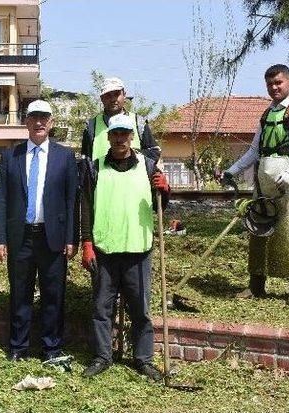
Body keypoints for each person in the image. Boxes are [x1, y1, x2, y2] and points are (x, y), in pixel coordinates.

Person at [80, 113, 171, 380]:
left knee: (140, 310)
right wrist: (86, 242)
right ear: (108, 137)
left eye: (124, 134)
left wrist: (165, 190)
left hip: (138, 249)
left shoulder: (148, 165)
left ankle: (143, 359)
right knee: (101, 309)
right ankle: (102, 356)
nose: (120, 139)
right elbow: (85, 207)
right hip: (104, 249)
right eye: (115, 134)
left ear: (132, 136)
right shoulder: (95, 167)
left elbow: (159, 208)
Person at [222, 64, 289, 306]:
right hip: (264, 181)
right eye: (270, 84)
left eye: (278, 82)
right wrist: (232, 170)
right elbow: (255, 150)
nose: (274, 87)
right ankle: (256, 284)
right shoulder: (266, 115)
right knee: (258, 229)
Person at [0, 100, 78, 362]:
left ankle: (51, 348)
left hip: (53, 237)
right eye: (34, 118)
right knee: (20, 293)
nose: (39, 123)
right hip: (21, 236)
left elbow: (71, 200)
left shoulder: (65, 156)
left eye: (44, 118)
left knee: (54, 294)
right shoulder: (11, 156)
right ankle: (18, 347)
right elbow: (1, 200)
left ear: (51, 123)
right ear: (26, 122)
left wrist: (71, 237)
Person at [81, 77, 161, 163]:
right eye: (108, 95)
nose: (113, 99)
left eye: (116, 94)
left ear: (124, 95)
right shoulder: (92, 126)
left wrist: (131, 154)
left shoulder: (139, 123)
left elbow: (155, 152)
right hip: (103, 175)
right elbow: (85, 161)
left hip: (133, 176)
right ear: (102, 98)